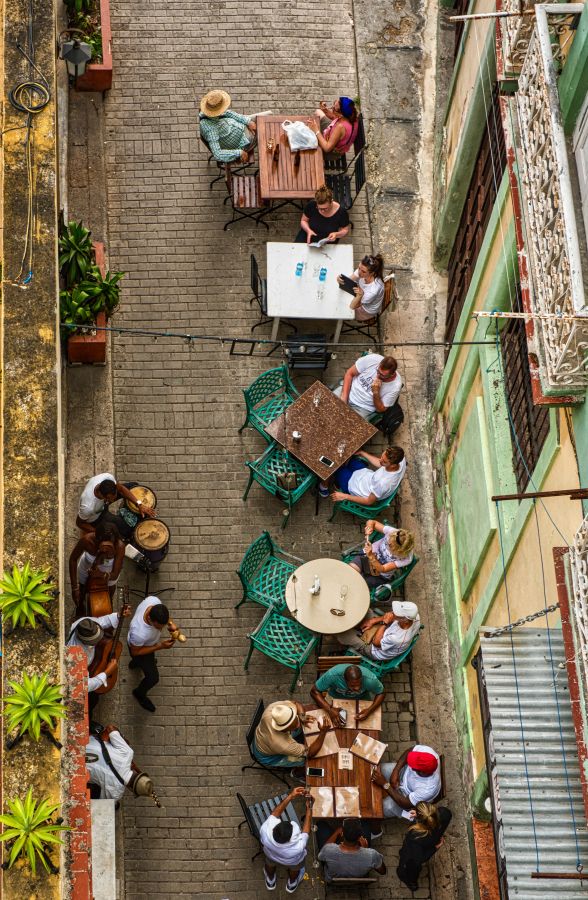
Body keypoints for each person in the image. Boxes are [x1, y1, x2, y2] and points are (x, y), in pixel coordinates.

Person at [66, 609, 130, 714]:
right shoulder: (75, 658)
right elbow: (85, 685)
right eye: (95, 642)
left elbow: (103, 621)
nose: (99, 641)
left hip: (91, 662)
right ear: (85, 642)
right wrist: (106, 673)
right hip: (84, 673)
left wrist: (119, 615)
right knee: (92, 700)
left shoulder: (85, 623)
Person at [128, 595, 178, 712]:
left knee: (138, 661)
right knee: (153, 678)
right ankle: (139, 693)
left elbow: (165, 618)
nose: (162, 629)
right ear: (150, 620)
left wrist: (170, 623)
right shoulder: (139, 633)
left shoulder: (154, 601)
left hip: (143, 644)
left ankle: (135, 664)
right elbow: (136, 651)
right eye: (159, 626)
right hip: (140, 648)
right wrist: (160, 646)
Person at [259, 787, 313, 893]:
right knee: (296, 868)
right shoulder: (298, 847)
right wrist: (309, 809)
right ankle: (292, 883)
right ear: (289, 839)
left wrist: (291, 795)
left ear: (274, 829)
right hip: (292, 861)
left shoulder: (265, 830)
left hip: (271, 854)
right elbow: (306, 830)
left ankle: (270, 880)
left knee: (269, 863)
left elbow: (275, 813)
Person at [371, 744, 442, 820]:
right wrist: (396, 771)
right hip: (403, 773)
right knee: (381, 769)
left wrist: (385, 785)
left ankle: (376, 827)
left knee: (384, 807)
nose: (411, 764)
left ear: (423, 772)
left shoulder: (428, 789)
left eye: (414, 765)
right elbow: (408, 752)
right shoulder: (429, 753)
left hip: (407, 800)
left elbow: (405, 804)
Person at [253, 700, 330, 768]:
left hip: (261, 737)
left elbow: (295, 703)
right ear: (284, 729)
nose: (299, 725)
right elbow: (309, 753)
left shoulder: (273, 710)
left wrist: (302, 716)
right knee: (308, 761)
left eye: (296, 718)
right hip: (268, 757)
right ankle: (298, 773)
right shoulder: (282, 745)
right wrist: (323, 732)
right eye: (295, 727)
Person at [69, 522, 125, 615]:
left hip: (109, 573)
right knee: (82, 590)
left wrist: (101, 574)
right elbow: (73, 560)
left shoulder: (119, 546)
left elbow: (114, 575)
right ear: (97, 539)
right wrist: (74, 588)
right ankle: (81, 609)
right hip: (86, 568)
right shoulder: (87, 541)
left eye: (109, 545)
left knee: (108, 594)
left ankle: (105, 610)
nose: (105, 550)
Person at [320, 446, 406, 505]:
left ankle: (324, 488)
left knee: (335, 467)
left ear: (393, 465)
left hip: (354, 487)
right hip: (365, 475)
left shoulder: (383, 484)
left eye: (384, 461)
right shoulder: (401, 461)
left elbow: (369, 501)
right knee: (346, 457)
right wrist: (362, 453)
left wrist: (344, 496)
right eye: (381, 457)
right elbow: (380, 464)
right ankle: (341, 476)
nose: (380, 460)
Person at [337, 600, 420, 661]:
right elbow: (391, 615)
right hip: (386, 630)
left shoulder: (398, 638)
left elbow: (376, 643)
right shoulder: (414, 616)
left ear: (404, 620)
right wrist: (373, 621)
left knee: (342, 634)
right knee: (363, 610)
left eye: (395, 613)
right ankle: (357, 627)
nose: (392, 613)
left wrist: (384, 623)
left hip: (374, 649)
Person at [397, 802, 452, 892]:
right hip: (432, 841)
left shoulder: (415, 835)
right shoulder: (445, 813)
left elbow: (420, 858)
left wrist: (435, 848)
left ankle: (410, 881)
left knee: (411, 868)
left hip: (415, 852)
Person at [77, 472, 155, 532]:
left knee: (133, 486)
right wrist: (96, 532)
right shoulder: (88, 507)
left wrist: (139, 504)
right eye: (109, 499)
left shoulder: (107, 477)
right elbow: (80, 523)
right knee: (126, 528)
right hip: (97, 516)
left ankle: (129, 508)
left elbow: (120, 488)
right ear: (100, 493)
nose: (111, 501)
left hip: (103, 503)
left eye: (113, 497)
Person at [348, 519, 415, 589]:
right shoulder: (393, 532)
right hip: (366, 557)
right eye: (389, 540)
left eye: (391, 546)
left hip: (379, 574)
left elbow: (383, 569)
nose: (388, 543)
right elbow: (372, 522)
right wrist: (369, 527)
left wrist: (371, 556)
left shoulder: (406, 559)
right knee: (350, 571)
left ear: (400, 551)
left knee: (357, 583)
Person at [310, 664, 385, 726]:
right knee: (326, 724)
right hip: (334, 697)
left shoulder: (371, 680)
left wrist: (369, 711)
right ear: (344, 679)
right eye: (352, 685)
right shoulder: (332, 675)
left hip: (361, 698)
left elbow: (381, 693)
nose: (357, 688)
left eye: (359, 684)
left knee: (365, 724)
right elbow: (314, 691)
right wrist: (329, 709)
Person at [334, 353, 402, 420]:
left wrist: (376, 392)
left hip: (363, 408)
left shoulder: (395, 386)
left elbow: (380, 409)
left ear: (392, 375)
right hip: (349, 390)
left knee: (349, 426)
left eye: (382, 375)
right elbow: (349, 373)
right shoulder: (372, 359)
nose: (377, 375)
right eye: (378, 371)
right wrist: (344, 398)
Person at [317, 818, 386, 882]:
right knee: (365, 824)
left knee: (321, 824)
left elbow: (321, 856)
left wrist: (336, 832)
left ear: (342, 834)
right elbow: (383, 871)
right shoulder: (372, 855)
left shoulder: (329, 850)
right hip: (359, 877)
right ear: (360, 837)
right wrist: (366, 850)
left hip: (332, 878)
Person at [198, 89, 257, 164]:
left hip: (242, 125)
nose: (224, 109)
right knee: (264, 130)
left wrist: (248, 122)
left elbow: (229, 113)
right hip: (243, 140)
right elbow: (217, 154)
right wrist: (239, 152)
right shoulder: (211, 130)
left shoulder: (209, 111)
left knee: (266, 115)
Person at [86, 725, 136, 801]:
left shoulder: (128, 753)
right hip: (77, 768)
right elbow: (101, 803)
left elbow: (110, 727)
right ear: (131, 789)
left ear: (136, 773)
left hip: (83, 743)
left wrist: (124, 742)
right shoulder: (116, 794)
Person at [338, 255, 385, 321]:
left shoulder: (373, 290)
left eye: (363, 271)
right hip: (360, 296)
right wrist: (340, 280)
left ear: (372, 273)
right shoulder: (363, 269)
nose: (359, 272)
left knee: (342, 310)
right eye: (359, 268)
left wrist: (360, 295)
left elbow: (352, 306)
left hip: (367, 311)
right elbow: (348, 281)